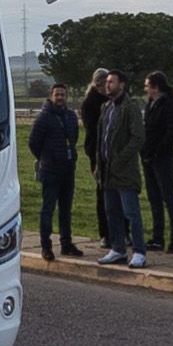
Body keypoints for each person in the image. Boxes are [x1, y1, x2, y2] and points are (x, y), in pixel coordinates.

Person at [93, 70, 148, 268]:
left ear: (122, 85)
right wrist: (100, 165)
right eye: (107, 82)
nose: (107, 85)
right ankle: (117, 248)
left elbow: (138, 137)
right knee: (112, 211)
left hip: (125, 171)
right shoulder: (106, 107)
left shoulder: (130, 107)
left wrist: (120, 158)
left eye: (111, 82)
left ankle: (139, 251)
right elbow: (102, 140)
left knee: (131, 213)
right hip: (107, 171)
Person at [28, 82, 84, 261]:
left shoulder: (70, 116)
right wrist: (46, 156)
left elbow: (74, 136)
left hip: (68, 168)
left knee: (66, 209)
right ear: (51, 96)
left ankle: (66, 244)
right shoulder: (43, 118)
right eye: (57, 94)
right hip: (51, 170)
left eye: (63, 94)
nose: (60, 97)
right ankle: (46, 246)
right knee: (48, 209)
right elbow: (33, 143)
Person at [139, 70, 173, 254]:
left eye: (148, 86)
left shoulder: (169, 105)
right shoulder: (150, 105)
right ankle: (158, 237)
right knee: (154, 197)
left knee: (168, 197)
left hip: (162, 157)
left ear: (156, 87)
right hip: (148, 157)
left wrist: (158, 150)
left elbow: (172, 132)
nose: (146, 90)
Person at [78, 68, 114, 247]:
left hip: (115, 152)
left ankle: (123, 231)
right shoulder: (90, 103)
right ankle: (105, 233)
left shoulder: (114, 99)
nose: (102, 87)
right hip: (98, 152)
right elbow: (93, 130)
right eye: (98, 84)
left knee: (120, 192)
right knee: (102, 193)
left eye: (104, 84)